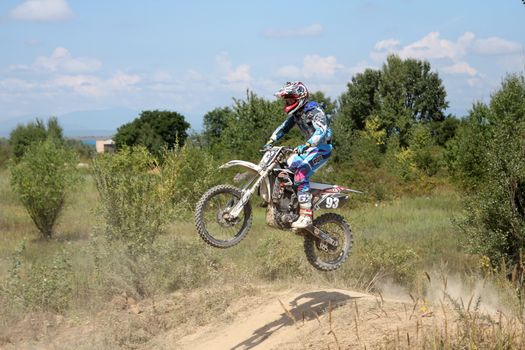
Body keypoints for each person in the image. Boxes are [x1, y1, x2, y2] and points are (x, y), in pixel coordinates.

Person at [264, 81, 333, 229]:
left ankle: (306, 215)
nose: (288, 102)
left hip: (322, 148)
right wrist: (271, 141)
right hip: (310, 149)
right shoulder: (297, 113)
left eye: (290, 100)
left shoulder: (314, 110)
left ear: (299, 98)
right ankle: (292, 205)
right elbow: (283, 128)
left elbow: (321, 131)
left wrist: (308, 144)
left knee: (301, 174)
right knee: (285, 169)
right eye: (287, 100)